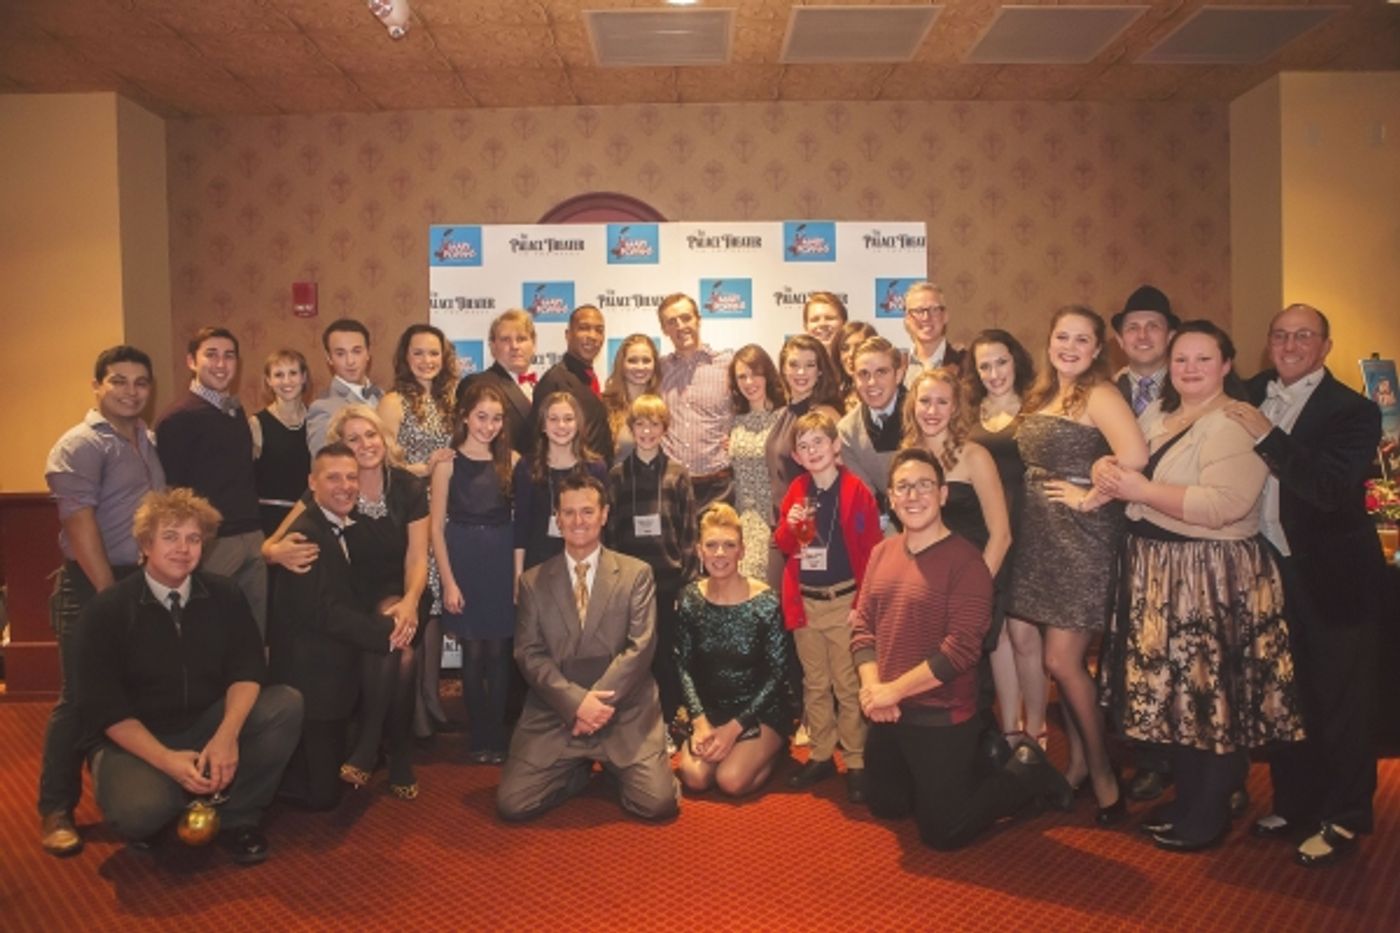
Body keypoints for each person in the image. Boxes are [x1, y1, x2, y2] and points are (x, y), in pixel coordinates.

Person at [1097, 321, 1305, 852]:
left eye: (1203, 359)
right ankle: (1190, 802)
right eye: (1181, 359)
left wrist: (1141, 491)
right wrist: (1107, 468)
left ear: (1227, 365)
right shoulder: (1161, 413)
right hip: (1165, 574)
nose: (1189, 369)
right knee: (1180, 701)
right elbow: (1128, 465)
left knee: (1209, 699)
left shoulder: (1232, 422)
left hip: (1210, 576)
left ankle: (1207, 815)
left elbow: (1224, 507)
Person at [1224, 302, 1388, 867]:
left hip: (1334, 577)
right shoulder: (1247, 391)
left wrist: (1268, 434)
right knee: (1284, 697)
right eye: (1280, 335)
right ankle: (1295, 804)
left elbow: (1325, 488)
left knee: (1340, 703)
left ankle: (1344, 816)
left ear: (1325, 346)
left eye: (1303, 336)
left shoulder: (1355, 411)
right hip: (1267, 573)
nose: (1290, 345)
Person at [853, 449, 1073, 850]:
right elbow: (863, 629)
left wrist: (893, 691)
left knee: (943, 832)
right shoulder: (881, 553)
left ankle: (1025, 773)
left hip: (941, 713)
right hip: (891, 711)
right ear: (890, 498)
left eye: (924, 485)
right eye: (903, 487)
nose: (914, 495)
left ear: (942, 496)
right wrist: (874, 689)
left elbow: (961, 652)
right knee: (886, 805)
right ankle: (958, 772)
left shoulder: (967, 562)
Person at [74, 489, 303, 865]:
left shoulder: (225, 595)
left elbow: (247, 670)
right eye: (170, 537)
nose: (183, 548)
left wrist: (227, 736)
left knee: (285, 705)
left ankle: (236, 816)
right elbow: (105, 708)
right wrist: (166, 760)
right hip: (137, 739)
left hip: (205, 724)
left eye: (193, 538)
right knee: (139, 812)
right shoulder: (107, 611)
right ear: (145, 544)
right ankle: (172, 802)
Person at [1005, 305, 1147, 824]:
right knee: (1059, 665)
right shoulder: (1043, 394)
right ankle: (1082, 765)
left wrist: (1089, 496)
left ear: (1096, 350)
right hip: (1042, 540)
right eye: (1061, 336)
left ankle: (1107, 774)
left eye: (1081, 340)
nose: (1069, 346)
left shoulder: (1101, 394)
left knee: (1061, 662)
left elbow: (1136, 456)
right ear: (1048, 342)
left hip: (1082, 540)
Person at [38, 345, 167, 857]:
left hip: (139, 583)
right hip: (93, 586)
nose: (131, 391)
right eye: (118, 381)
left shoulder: (145, 440)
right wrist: (108, 595)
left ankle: (131, 800)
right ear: (97, 386)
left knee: (130, 693)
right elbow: (79, 521)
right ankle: (56, 809)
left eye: (140, 382)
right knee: (79, 700)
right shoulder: (79, 444)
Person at [496, 472, 680, 822]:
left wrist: (596, 707)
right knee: (513, 804)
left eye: (587, 512)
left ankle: (615, 768)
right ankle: (576, 772)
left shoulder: (636, 574)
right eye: (568, 513)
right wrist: (577, 704)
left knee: (658, 805)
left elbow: (640, 648)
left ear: (604, 515)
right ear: (557, 518)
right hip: (557, 713)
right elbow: (528, 654)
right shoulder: (533, 582)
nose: (577, 521)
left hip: (624, 711)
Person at [268, 444, 408, 811]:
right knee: (322, 797)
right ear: (312, 484)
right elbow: (324, 613)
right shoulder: (304, 537)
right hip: (314, 682)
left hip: (338, 665)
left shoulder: (347, 527)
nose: (345, 486)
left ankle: (370, 746)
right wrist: (383, 634)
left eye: (351, 477)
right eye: (333, 478)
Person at [903, 367, 1014, 760]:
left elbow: (1001, 534)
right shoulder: (907, 455)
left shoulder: (974, 455)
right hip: (926, 590)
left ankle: (983, 766)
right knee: (930, 684)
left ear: (956, 408)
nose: (932, 410)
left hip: (974, 586)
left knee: (970, 685)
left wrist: (973, 595)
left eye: (942, 402)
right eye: (925, 400)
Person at [775, 410, 883, 803]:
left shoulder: (856, 491)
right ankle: (821, 754)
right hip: (806, 603)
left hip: (844, 602)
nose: (811, 450)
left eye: (818, 441)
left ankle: (855, 760)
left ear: (835, 446)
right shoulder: (797, 491)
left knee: (847, 684)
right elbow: (786, 546)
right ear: (798, 457)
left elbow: (873, 553)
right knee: (814, 683)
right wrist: (789, 524)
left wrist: (861, 603)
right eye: (803, 446)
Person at [326, 405, 430, 799]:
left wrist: (409, 602)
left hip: (406, 590)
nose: (364, 444)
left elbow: (418, 557)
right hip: (354, 600)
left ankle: (369, 746)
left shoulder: (407, 486)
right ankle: (398, 751)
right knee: (401, 654)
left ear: (383, 438)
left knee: (394, 632)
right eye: (353, 439)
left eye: (370, 435)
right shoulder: (336, 486)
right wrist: (274, 548)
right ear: (341, 447)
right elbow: (281, 537)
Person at [155, 327, 268, 637]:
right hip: (212, 542)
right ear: (192, 361)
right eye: (212, 355)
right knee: (206, 629)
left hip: (251, 535)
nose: (221, 363)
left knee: (251, 632)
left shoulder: (233, 411)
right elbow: (173, 490)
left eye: (229, 356)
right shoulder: (178, 418)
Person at [674, 504, 793, 797]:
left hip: (760, 710)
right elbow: (683, 666)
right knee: (694, 777)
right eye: (711, 545)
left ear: (742, 551)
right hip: (712, 708)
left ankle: (773, 749)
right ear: (699, 551)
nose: (720, 554)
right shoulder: (689, 599)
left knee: (731, 781)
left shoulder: (766, 603)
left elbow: (778, 675)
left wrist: (733, 729)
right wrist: (700, 721)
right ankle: (725, 747)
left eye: (729, 545)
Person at [964, 330, 1045, 757]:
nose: (994, 373)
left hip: (1029, 532)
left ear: (1016, 362)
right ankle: (1010, 728)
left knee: (1025, 635)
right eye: (984, 366)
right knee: (997, 636)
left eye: (1001, 362)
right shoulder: (969, 413)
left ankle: (1036, 729)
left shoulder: (1036, 408)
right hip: (987, 532)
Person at [377, 324, 458, 738]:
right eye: (418, 353)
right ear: (404, 357)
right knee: (422, 607)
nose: (427, 361)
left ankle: (432, 694)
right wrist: (424, 470)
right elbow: (382, 458)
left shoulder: (448, 401)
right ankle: (415, 709)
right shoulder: (394, 401)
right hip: (412, 512)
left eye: (434, 353)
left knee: (439, 609)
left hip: (445, 512)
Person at [605, 395, 700, 740]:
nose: (647, 432)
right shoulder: (616, 476)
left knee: (665, 654)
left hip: (667, 582)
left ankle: (670, 722)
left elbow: (689, 533)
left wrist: (688, 582)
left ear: (664, 429)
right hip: (630, 584)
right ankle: (634, 725)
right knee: (632, 655)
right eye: (640, 425)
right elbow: (611, 533)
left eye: (654, 425)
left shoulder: (677, 475)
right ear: (631, 429)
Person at [433, 381, 518, 764]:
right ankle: (478, 735)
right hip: (463, 557)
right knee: (472, 652)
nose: (488, 425)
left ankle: (497, 736)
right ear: (465, 416)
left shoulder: (512, 462)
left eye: (496, 418)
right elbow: (436, 528)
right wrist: (448, 582)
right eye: (481, 417)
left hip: (501, 558)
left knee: (499, 652)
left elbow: (521, 524)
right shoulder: (446, 464)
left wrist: (517, 577)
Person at [513, 391, 609, 575]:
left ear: (578, 424)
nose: (561, 426)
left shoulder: (596, 468)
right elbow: (521, 526)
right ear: (543, 424)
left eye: (568, 419)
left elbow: (603, 527)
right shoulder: (527, 467)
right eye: (553, 419)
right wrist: (518, 576)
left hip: (584, 566)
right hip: (538, 567)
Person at [656, 293, 735, 512]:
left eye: (686, 318)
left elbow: (753, 405)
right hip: (671, 485)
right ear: (664, 329)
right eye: (672, 322)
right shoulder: (658, 371)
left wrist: (739, 434)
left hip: (719, 486)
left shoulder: (728, 364)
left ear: (698, 319)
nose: (680, 326)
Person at [766, 334, 844, 531]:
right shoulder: (784, 412)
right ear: (783, 369)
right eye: (793, 364)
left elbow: (839, 475)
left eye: (810, 365)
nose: (801, 372)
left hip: (813, 526)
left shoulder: (824, 414)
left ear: (820, 371)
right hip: (782, 524)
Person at [728, 344, 786, 584]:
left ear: (768, 375)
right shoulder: (735, 422)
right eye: (742, 376)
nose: (749, 382)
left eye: (755, 374)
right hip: (742, 519)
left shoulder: (784, 417)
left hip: (772, 518)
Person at [837, 335, 907, 528]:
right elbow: (867, 495)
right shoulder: (847, 431)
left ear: (899, 375)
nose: (871, 382)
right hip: (884, 525)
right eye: (863, 374)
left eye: (881, 372)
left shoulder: (923, 416)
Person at [534, 304, 613, 464]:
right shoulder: (554, 380)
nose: (592, 336)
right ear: (568, 334)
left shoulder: (590, 377)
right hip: (568, 482)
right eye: (584, 328)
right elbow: (538, 443)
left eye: (599, 330)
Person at [457, 308, 538, 456]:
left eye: (521, 339)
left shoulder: (544, 386)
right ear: (493, 347)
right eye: (505, 339)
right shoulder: (477, 384)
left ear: (533, 344)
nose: (514, 346)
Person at [250, 349, 311, 539]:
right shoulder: (256, 424)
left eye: (293, 373)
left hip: (309, 519)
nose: (287, 381)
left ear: (303, 377)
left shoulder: (317, 420)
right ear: (268, 381)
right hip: (270, 524)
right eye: (278, 375)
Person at [306, 318, 382, 454]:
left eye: (356, 351)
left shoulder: (383, 396)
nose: (350, 361)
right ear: (329, 358)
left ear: (368, 353)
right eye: (340, 354)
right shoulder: (323, 409)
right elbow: (323, 468)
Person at [1112, 285, 1180, 417]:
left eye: (1153, 326)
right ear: (1120, 340)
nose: (1142, 336)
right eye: (1133, 328)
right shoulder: (1105, 391)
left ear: (1170, 337)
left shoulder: (1190, 389)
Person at [601, 333, 661, 463]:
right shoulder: (604, 406)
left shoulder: (663, 404)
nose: (640, 367)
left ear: (655, 364)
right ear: (621, 364)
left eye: (646, 360)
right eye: (632, 360)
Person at [903, 281, 966, 385]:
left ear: (945, 316)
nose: (926, 317)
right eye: (918, 311)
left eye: (934, 310)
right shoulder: (897, 366)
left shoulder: (966, 362)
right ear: (907, 320)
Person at [835, 320, 879, 412]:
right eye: (845, 348)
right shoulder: (836, 397)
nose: (851, 354)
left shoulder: (885, 394)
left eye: (859, 347)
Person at [801, 291, 848, 369]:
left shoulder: (854, 366)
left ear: (844, 323)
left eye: (830, 318)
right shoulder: (796, 370)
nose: (822, 324)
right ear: (805, 326)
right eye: (815, 320)